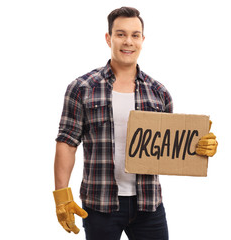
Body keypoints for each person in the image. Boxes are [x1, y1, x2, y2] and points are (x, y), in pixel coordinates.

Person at [53, 6, 218, 240]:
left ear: (142, 40)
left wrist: (199, 146)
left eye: (135, 35)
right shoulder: (82, 88)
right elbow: (67, 143)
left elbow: (170, 149)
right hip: (99, 205)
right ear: (108, 38)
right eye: (120, 34)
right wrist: (62, 196)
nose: (128, 41)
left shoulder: (159, 93)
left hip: (148, 205)